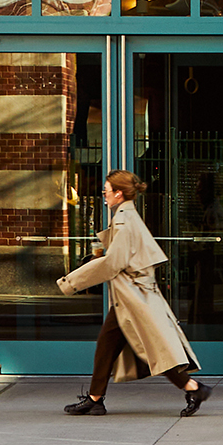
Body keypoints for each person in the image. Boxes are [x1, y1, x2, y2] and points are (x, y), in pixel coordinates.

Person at [58, 169, 210, 417]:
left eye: (106, 191)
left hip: (134, 297)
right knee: (109, 345)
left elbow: (112, 264)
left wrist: (70, 282)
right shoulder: (125, 216)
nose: (103, 195)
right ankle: (95, 398)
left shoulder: (124, 220)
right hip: (130, 295)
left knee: (154, 348)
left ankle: (194, 387)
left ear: (118, 193)